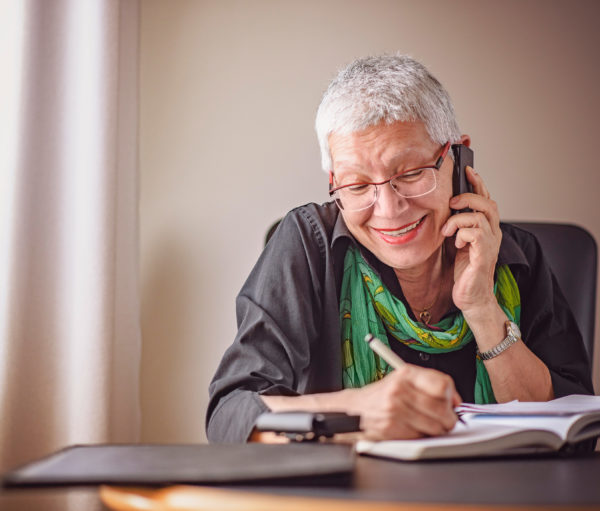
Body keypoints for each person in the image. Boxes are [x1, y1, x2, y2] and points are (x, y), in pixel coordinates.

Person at [206, 55, 593, 443]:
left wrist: (482, 308)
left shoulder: (516, 255)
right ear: (334, 181)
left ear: (457, 158)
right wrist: (355, 413)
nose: (389, 210)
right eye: (357, 186)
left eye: (410, 174)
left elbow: (576, 427)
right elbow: (233, 414)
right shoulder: (309, 244)